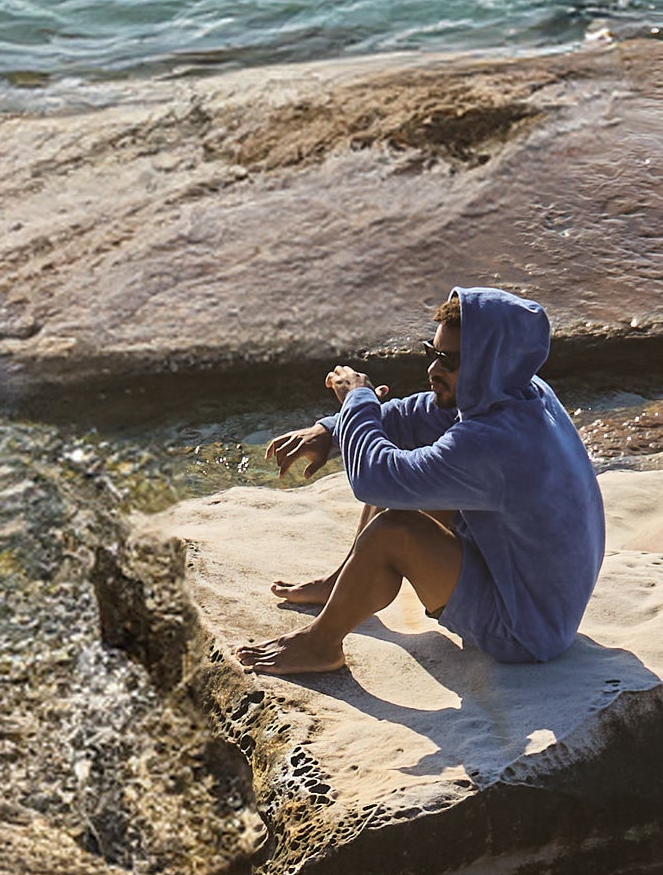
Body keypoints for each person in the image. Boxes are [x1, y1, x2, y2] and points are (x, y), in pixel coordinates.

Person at [241, 284, 608, 674]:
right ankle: (343, 585)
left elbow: (375, 478)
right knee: (399, 470)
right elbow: (417, 416)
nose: (433, 369)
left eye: (448, 361)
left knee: (393, 527)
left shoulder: (495, 444)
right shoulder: (520, 390)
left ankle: (320, 646)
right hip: (527, 584)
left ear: (487, 363)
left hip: (524, 629)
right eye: (432, 353)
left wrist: (357, 399)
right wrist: (331, 431)